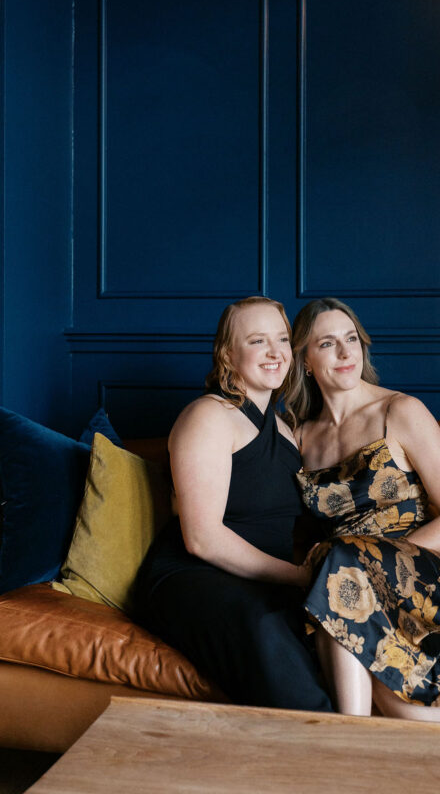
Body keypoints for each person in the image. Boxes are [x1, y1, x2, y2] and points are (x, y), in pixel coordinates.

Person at [283, 297, 440, 722]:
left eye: (352, 339)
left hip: (425, 576)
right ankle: (359, 738)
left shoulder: (400, 412)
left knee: (341, 565)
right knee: (337, 574)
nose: (345, 352)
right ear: (305, 361)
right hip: (345, 584)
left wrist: (377, 562)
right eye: (328, 344)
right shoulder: (299, 436)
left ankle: (347, 736)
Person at [134, 296, 332, 712]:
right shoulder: (208, 416)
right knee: (264, 626)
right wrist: (299, 577)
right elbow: (202, 539)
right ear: (228, 354)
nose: (276, 352)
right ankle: (325, 756)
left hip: (266, 580)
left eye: (282, 338)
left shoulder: (288, 430)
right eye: (258, 340)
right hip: (194, 576)